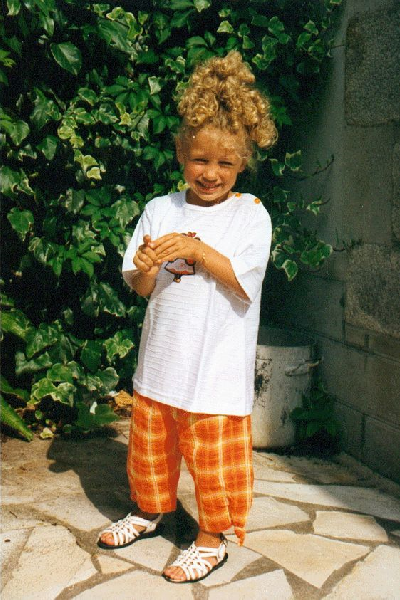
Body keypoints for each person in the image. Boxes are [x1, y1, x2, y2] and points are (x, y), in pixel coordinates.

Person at [98, 50, 277, 583]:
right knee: (152, 446)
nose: (211, 173)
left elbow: (244, 282)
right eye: (200, 160)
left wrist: (198, 251)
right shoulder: (161, 209)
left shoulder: (250, 215)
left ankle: (211, 538)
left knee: (213, 458)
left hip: (214, 369)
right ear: (181, 154)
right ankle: (149, 510)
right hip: (162, 362)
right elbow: (142, 287)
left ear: (242, 163)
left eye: (225, 164)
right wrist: (148, 266)